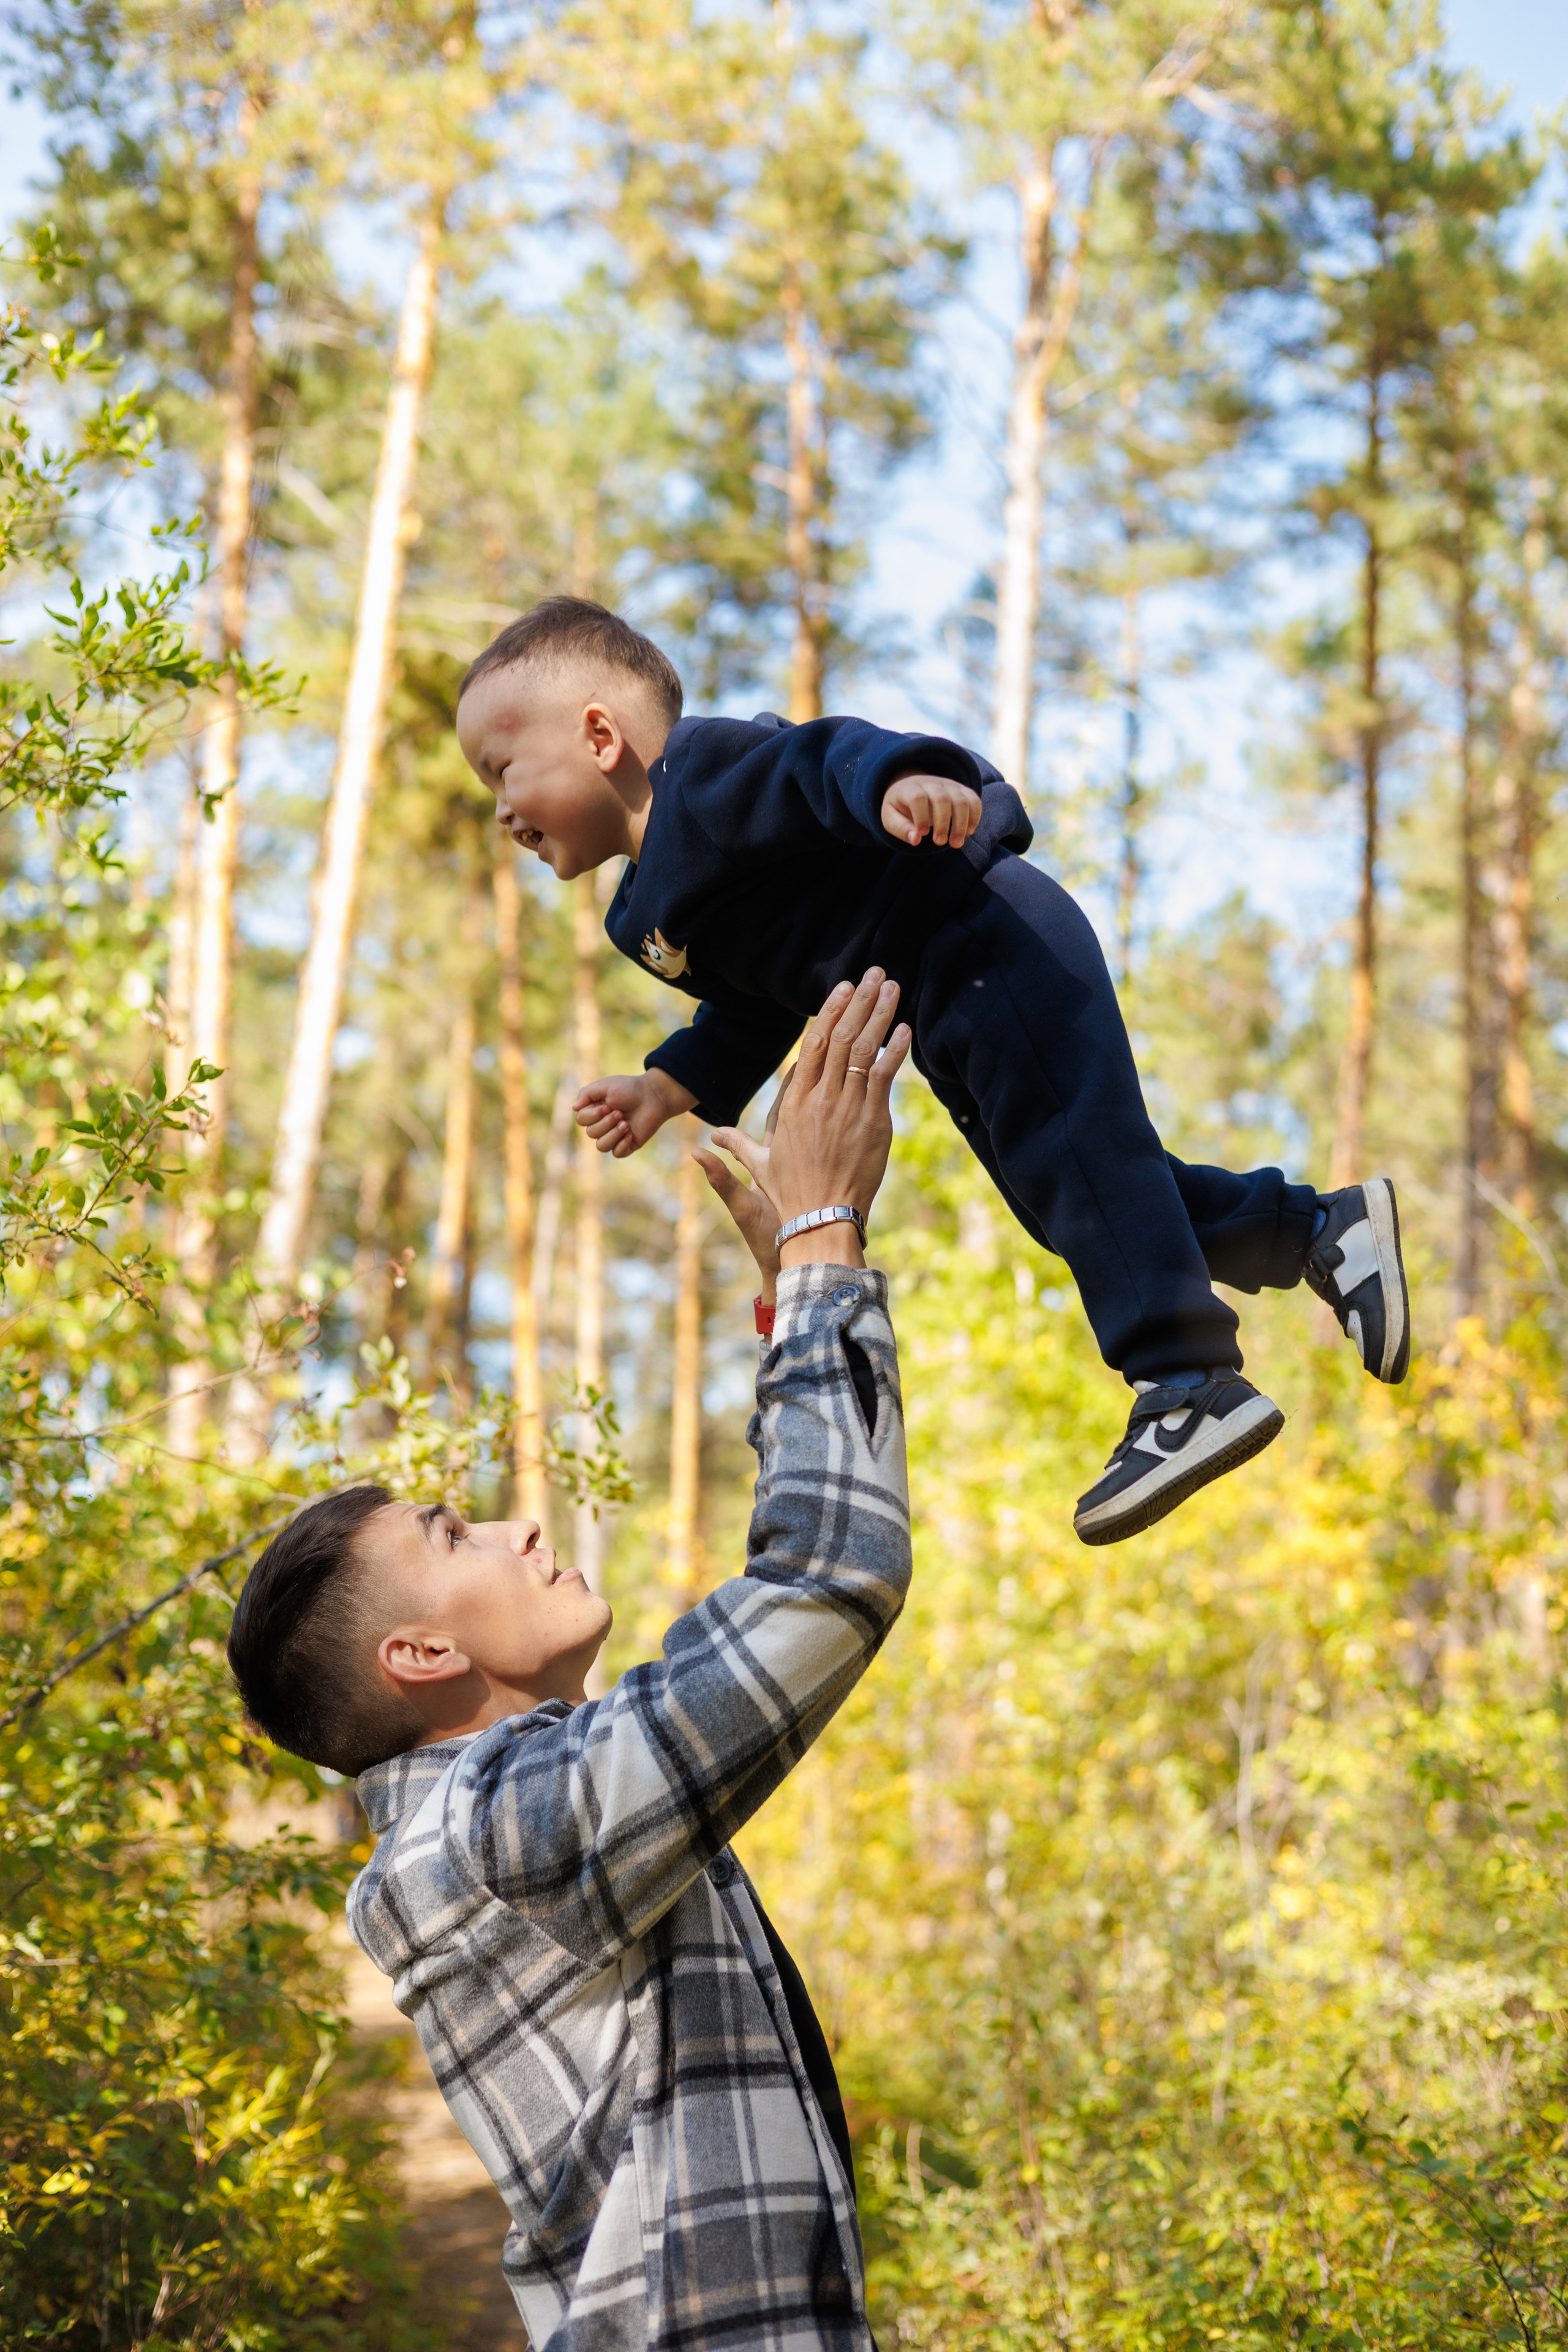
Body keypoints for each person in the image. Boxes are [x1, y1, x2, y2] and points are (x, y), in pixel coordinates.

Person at [226, 972, 913, 2352]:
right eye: (453, 1532)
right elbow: (823, 1584)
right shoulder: (500, 1834)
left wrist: (794, 1311)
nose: (516, 1522)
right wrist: (830, 1240)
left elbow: (787, 1593)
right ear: (417, 1652)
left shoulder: (491, 1828)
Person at [456, 597, 1411, 1546]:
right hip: (938, 1010)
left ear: (598, 735)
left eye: (503, 770)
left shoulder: (704, 773)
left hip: (983, 937)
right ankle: (1320, 1233)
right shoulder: (646, 919)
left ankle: (1188, 1380)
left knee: (1083, 1166)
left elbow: (817, 761)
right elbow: (757, 1002)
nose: (500, 809)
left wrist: (898, 784)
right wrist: (666, 1086)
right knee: (1073, 1200)